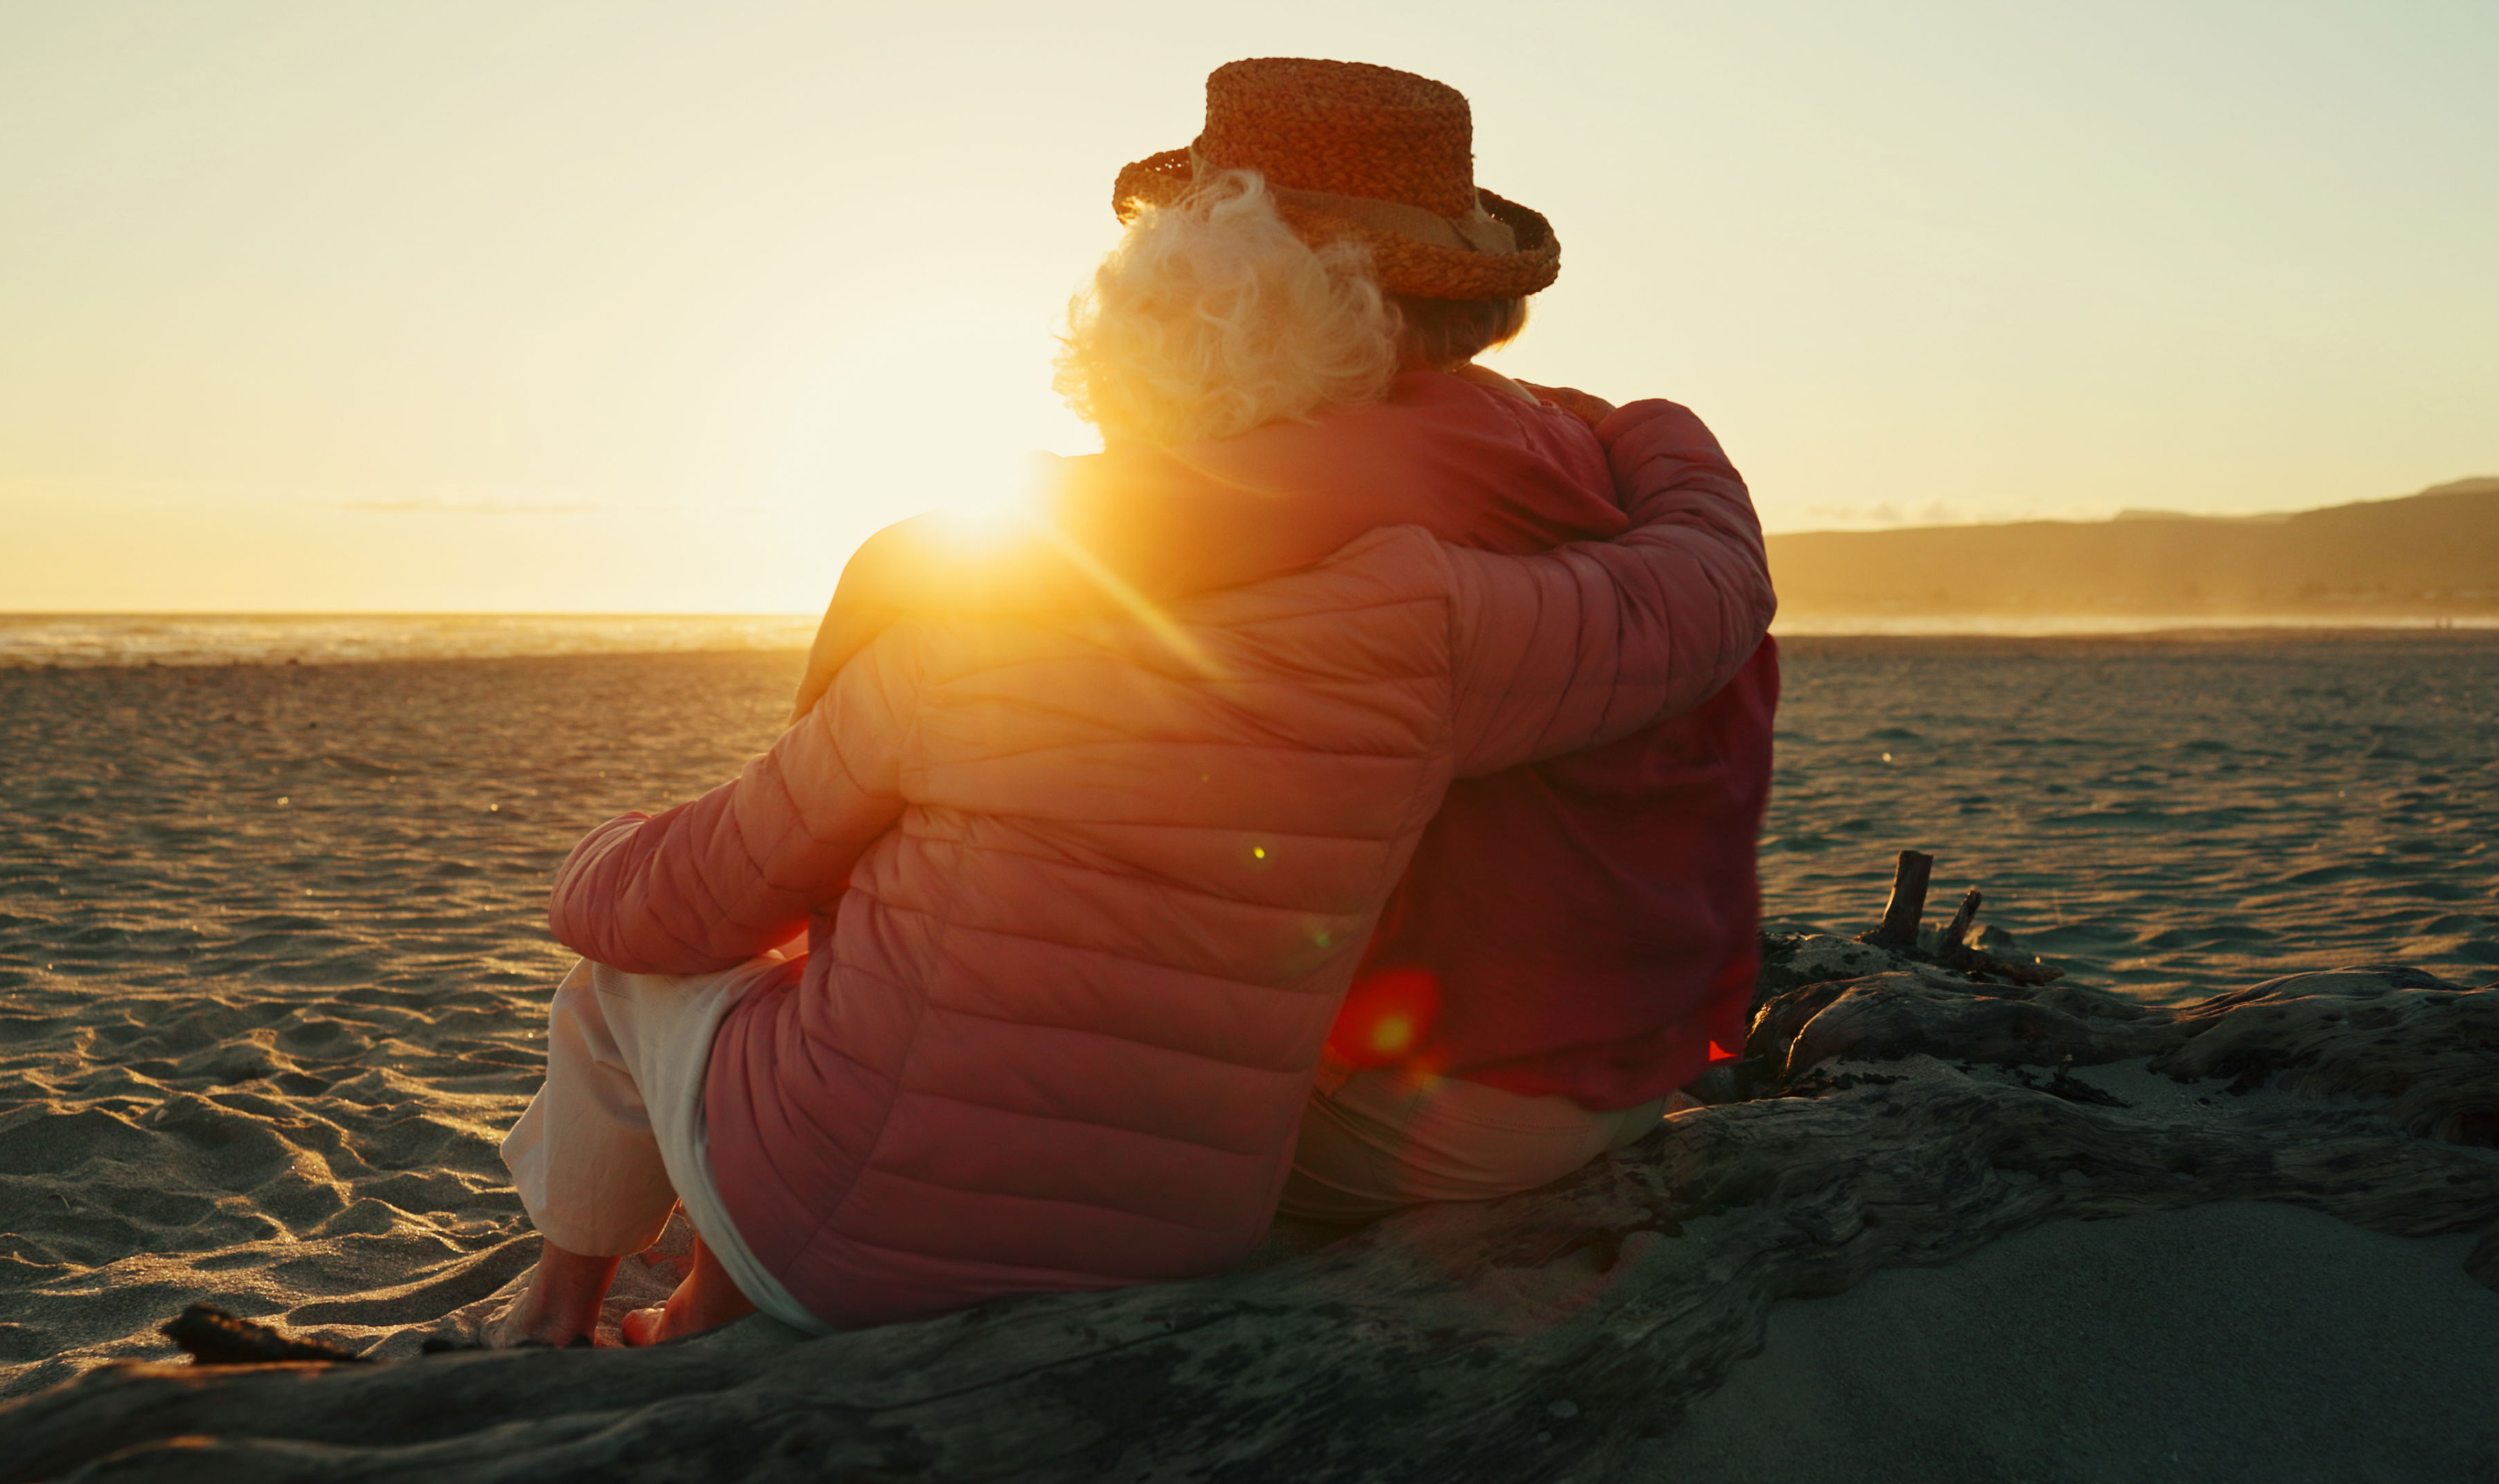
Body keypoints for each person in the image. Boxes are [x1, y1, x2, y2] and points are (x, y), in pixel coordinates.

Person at [492, 56, 1773, 1348]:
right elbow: (1697, 600)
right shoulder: (1539, 480)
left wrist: (603, 859)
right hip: (1619, 1067)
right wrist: (1665, 435)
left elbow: (719, 869)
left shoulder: (1107, 541)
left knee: (738, 939)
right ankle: (706, 1289)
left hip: (1432, 1103)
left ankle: (583, 1313)